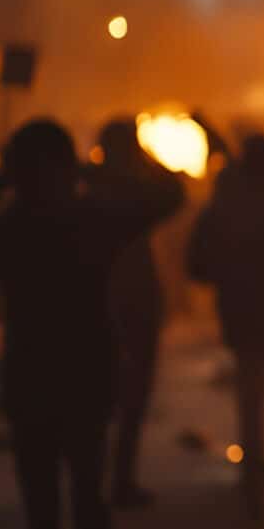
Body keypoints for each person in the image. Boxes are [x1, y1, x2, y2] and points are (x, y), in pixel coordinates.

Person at [0, 119, 183, 529]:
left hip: (32, 380)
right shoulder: (92, 218)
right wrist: (95, 173)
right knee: (87, 496)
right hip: (87, 376)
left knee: (42, 504)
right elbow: (169, 193)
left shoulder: (11, 228)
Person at [187, 134, 264, 518]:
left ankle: (257, 477)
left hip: (242, 317)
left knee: (252, 400)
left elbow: (197, 266)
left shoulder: (221, 210)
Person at [94, 118, 187, 508]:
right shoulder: (130, 196)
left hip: (100, 305)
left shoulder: (88, 188)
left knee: (104, 399)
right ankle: (118, 481)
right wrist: (149, 156)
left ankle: (102, 482)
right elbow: (176, 191)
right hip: (127, 305)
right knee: (130, 397)